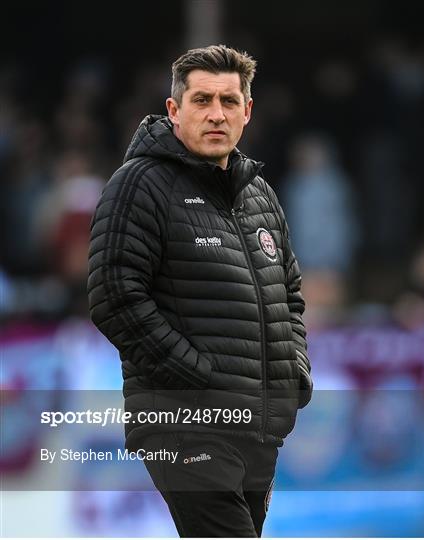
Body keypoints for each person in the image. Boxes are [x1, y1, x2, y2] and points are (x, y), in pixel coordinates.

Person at [88, 44, 313, 538]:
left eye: (229, 102)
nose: (216, 114)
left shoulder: (259, 194)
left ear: (247, 111)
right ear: (174, 109)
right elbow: (114, 294)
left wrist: (292, 371)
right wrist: (194, 377)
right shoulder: (139, 184)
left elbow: (289, 291)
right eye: (202, 100)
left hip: (258, 427)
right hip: (186, 422)